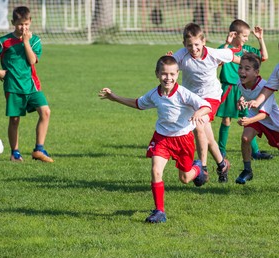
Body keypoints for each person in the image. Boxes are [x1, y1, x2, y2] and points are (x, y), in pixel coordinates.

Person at [98, 55, 211, 223]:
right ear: (157, 74)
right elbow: (138, 104)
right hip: (162, 139)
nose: (168, 78)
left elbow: (206, 106)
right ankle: (159, 211)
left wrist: (198, 113)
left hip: (183, 139)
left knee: (185, 179)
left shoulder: (184, 94)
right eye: (164, 74)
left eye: (172, 74)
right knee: (156, 170)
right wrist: (114, 97)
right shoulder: (154, 94)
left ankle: (198, 168)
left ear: (177, 74)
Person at [0, 6, 53, 163]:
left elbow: (32, 60)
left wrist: (26, 42)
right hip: (13, 87)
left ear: (30, 22)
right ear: (13, 23)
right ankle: (15, 153)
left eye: (26, 24)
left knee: (46, 112)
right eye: (20, 24)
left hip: (32, 85)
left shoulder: (35, 41)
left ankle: (39, 150)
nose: (24, 27)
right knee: (14, 120)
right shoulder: (4, 41)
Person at [171, 23, 233, 183]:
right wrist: (168, 61)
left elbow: (234, 57)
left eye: (197, 44)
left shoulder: (213, 53)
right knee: (207, 137)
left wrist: (251, 68)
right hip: (192, 100)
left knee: (198, 126)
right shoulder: (181, 55)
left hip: (211, 98)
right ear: (184, 45)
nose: (194, 48)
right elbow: (167, 67)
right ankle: (222, 164)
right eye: (189, 45)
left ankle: (202, 169)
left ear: (203, 41)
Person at [216, 19, 272, 160]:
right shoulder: (225, 48)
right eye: (245, 36)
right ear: (235, 34)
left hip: (246, 89)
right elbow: (218, 61)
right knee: (226, 120)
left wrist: (260, 39)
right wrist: (227, 43)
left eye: (248, 36)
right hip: (229, 88)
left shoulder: (247, 52)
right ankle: (221, 151)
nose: (247, 39)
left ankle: (255, 152)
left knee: (249, 120)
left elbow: (264, 56)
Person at [236, 53, 279, 184]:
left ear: (256, 72)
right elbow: (246, 95)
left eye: (247, 69)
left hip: (272, 122)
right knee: (245, 138)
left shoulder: (264, 86)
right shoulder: (240, 83)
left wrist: (248, 121)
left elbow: (264, 114)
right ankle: (247, 170)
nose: (242, 71)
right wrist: (241, 100)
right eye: (240, 67)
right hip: (255, 117)